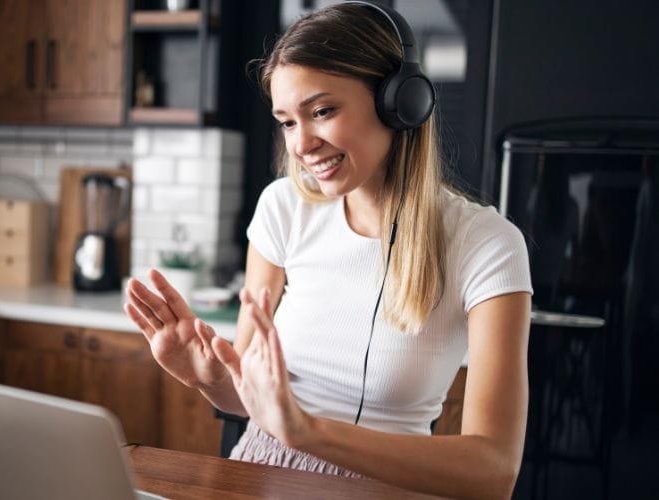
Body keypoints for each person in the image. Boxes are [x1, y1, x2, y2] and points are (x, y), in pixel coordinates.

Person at [124, 3, 532, 499]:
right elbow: (249, 401)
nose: (301, 145)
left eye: (321, 112)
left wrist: (308, 432)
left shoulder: (487, 244)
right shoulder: (283, 207)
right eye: (287, 122)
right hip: (259, 470)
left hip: (388, 487)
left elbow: (493, 472)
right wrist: (207, 377)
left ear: (399, 103)